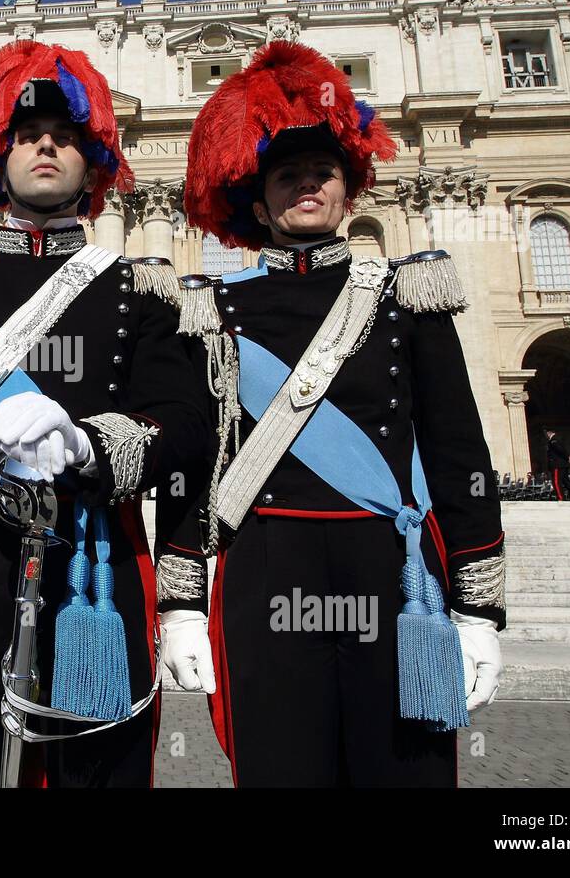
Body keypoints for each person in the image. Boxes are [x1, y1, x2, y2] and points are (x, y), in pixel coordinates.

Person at [174, 41, 506, 787]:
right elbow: (198, 462)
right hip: (266, 565)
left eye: (322, 171)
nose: (307, 185)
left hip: (391, 571)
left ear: (348, 190)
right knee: (280, 766)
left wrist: (480, 608)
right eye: (287, 174)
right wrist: (181, 600)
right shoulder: (216, 308)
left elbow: (459, 451)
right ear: (259, 203)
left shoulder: (405, 292)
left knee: (403, 770)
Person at [0, 40, 212, 787]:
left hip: (95, 569)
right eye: (28, 136)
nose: (46, 146)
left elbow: (185, 420)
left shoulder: (142, 289)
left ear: (92, 166)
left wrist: (91, 444)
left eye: (64, 137)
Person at [545, 428, 570, 501]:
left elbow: (560, 450)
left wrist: (567, 457)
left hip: (557, 464)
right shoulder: (557, 439)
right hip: (562, 464)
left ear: (549, 433)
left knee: (556, 481)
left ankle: (561, 498)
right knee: (566, 480)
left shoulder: (553, 440)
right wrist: (567, 457)